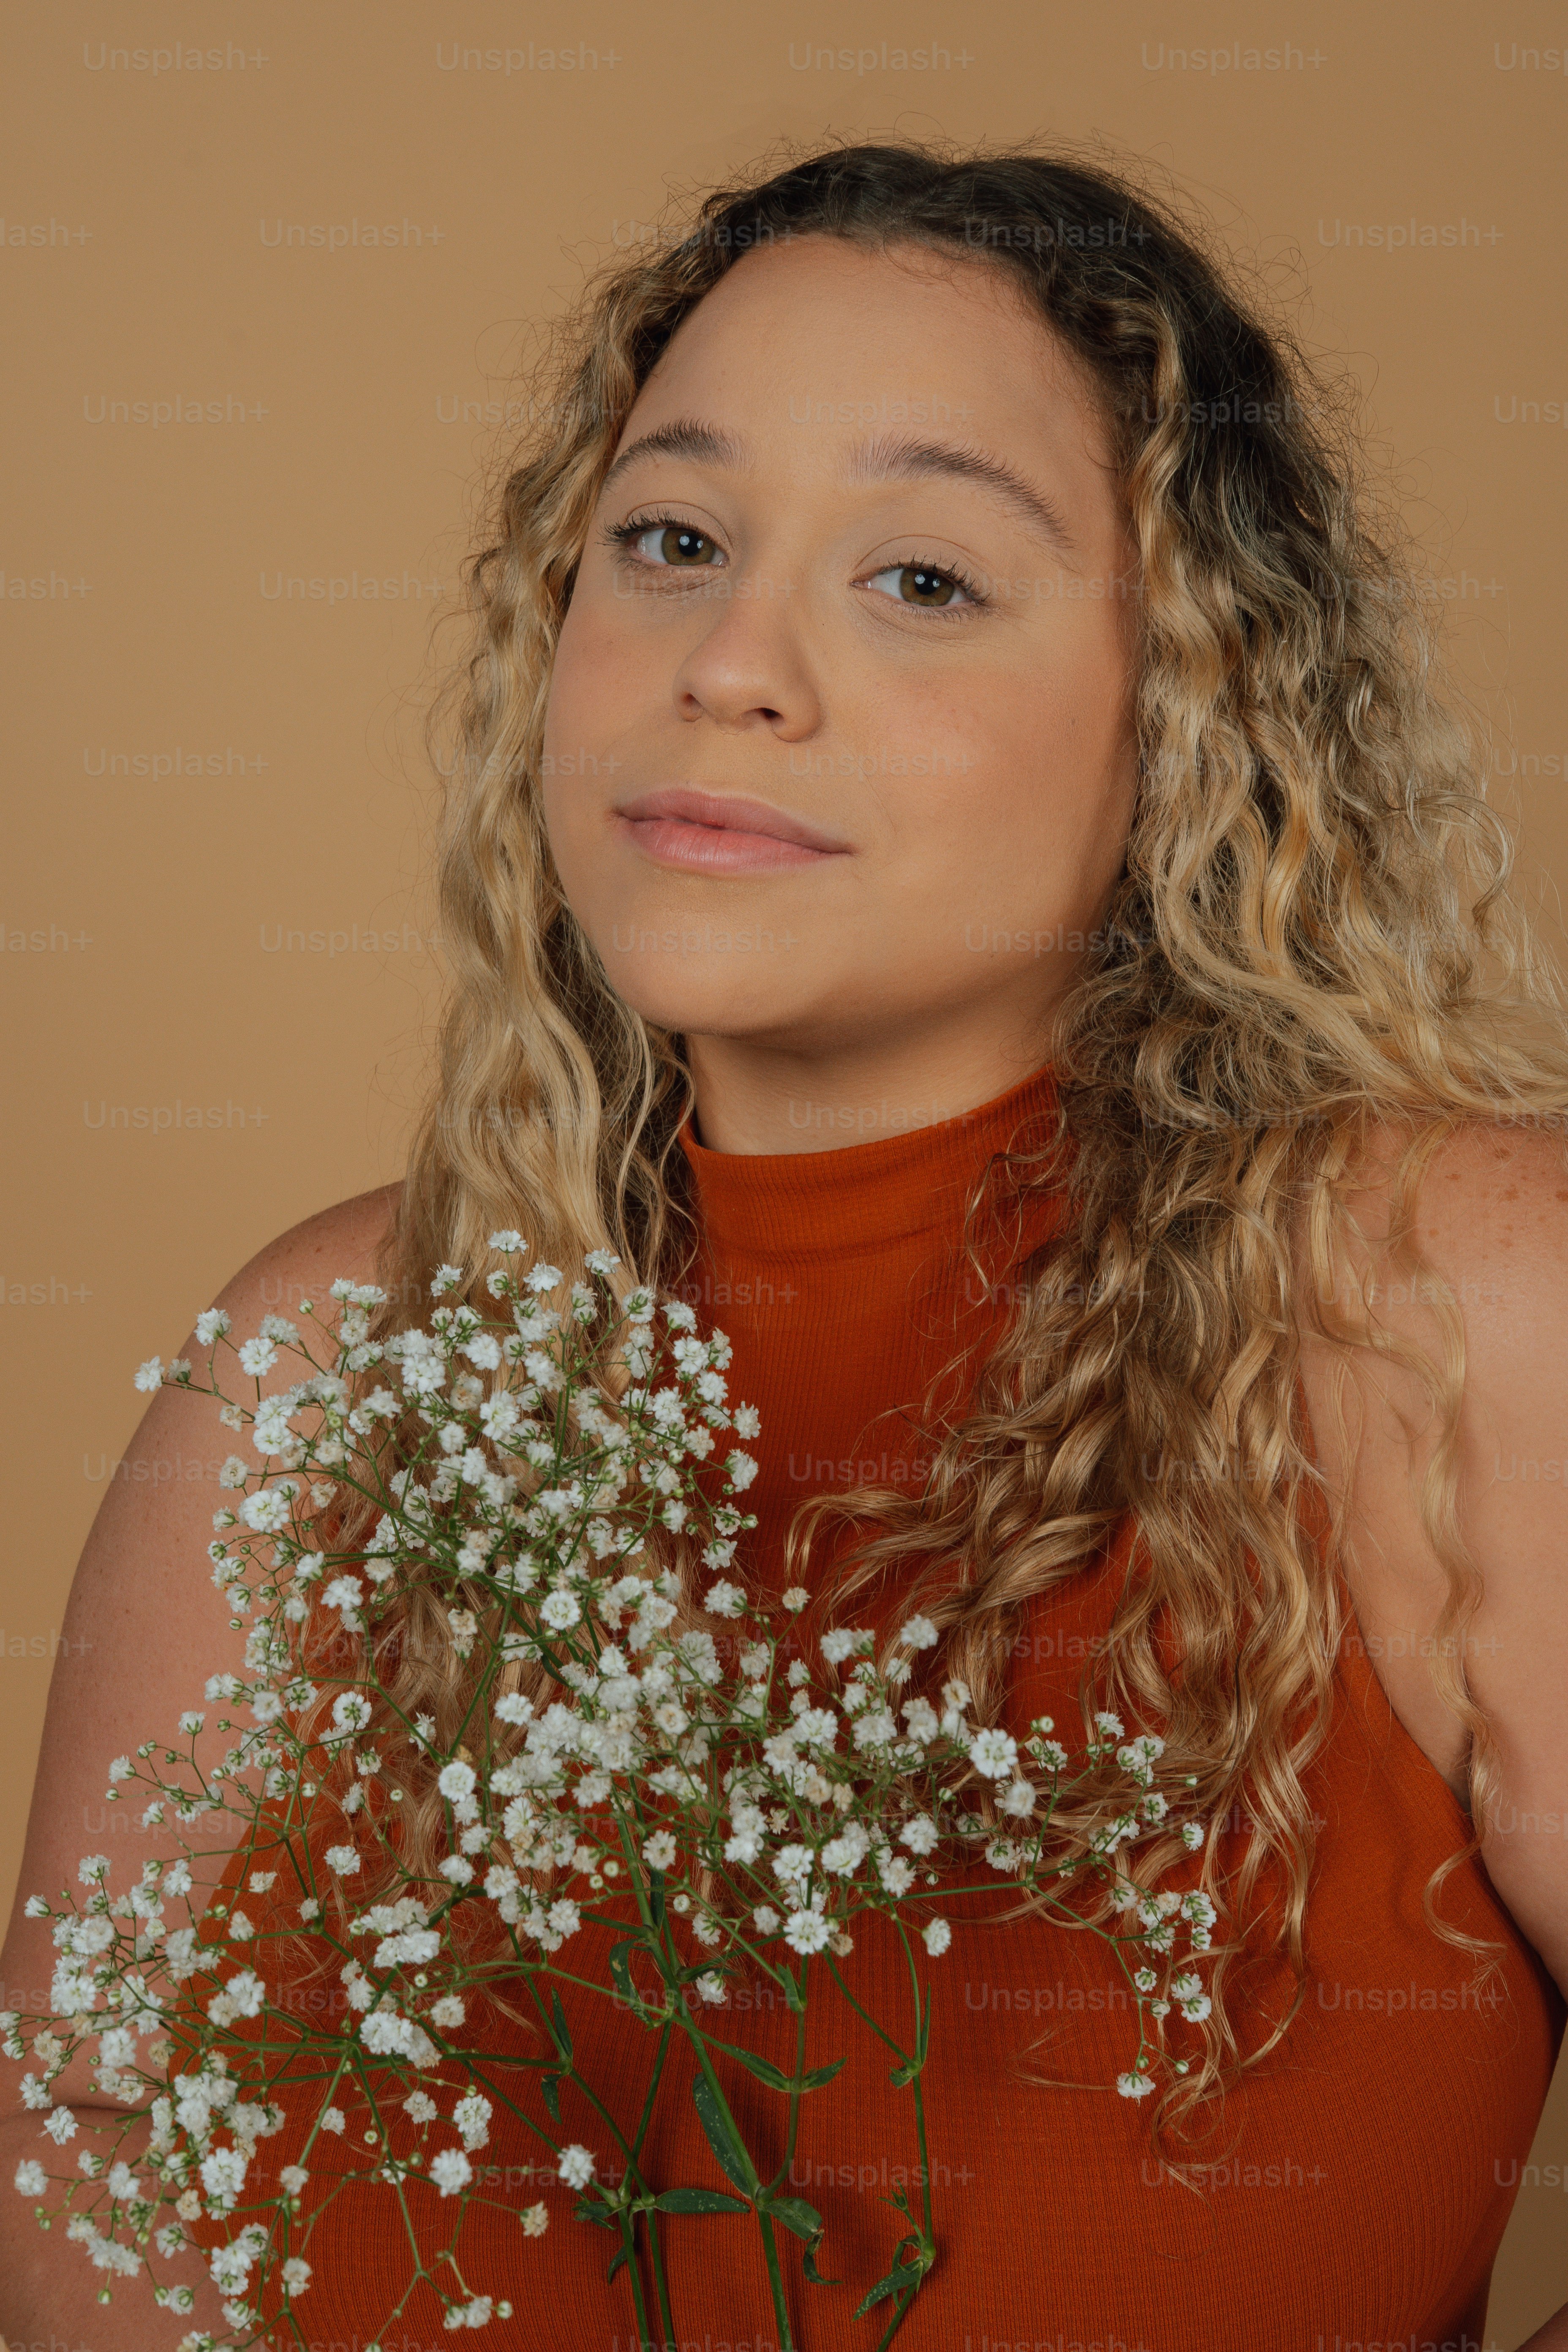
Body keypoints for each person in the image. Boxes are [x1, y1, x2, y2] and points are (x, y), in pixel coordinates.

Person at [4, 137, 1566, 2350]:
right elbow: (82, 2173)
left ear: (1184, 729)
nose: (731, 661)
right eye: (670, 538)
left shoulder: (1455, 1317)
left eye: (921, 577)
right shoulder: (319, 1365)